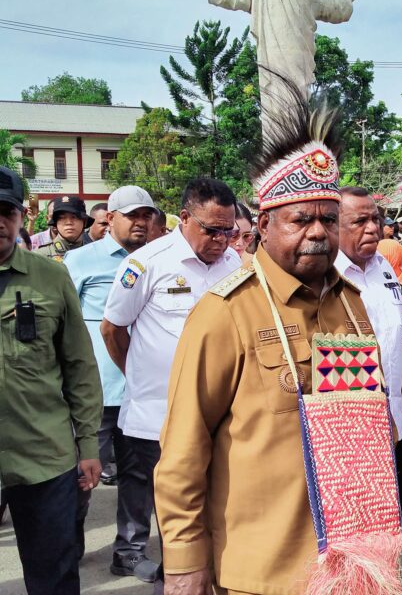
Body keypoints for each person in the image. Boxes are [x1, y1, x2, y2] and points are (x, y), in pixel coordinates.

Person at [154, 87, 402, 594]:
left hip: (354, 558)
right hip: (262, 570)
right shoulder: (225, 311)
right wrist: (184, 561)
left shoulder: (351, 302)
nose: (317, 232)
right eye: (300, 219)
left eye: (329, 220)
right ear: (263, 226)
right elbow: (183, 447)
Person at [101, 178, 240, 591]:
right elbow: (113, 329)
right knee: (171, 513)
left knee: (212, 507)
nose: (221, 239)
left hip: (217, 416)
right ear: (184, 219)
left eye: (228, 230)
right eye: (211, 229)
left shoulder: (235, 263)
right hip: (157, 414)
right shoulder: (147, 263)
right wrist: (141, 376)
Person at [0, 166, 103, 595]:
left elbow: (79, 364)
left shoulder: (51, 275)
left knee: (54, 575)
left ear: (22, 216)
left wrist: (90, 445)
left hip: (44, 454)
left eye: (5, 212)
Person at [64, 185, 159, 582]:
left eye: (146, 216)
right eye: (131, 215)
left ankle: (130, 551)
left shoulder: (160, 258)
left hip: (143, 393)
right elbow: (62, 326)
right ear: (110, 218)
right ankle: (65, 547)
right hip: (96, 391)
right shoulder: (80, 260)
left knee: (139, 478)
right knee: (80, 476)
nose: (140, 223)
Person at [336, 186, 402, 530]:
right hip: (348, 426)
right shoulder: (323, 274)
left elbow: (393, 341)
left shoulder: (383, 266)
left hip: (393, 415)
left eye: (376, 219)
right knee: (354, 517)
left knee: (389, 505)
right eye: (359, 221)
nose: (372, 228)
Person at [36, 195, 94, 262]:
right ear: (55, 223)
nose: (68, 222)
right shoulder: (41, 255)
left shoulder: (95, 252)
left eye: (74, 217)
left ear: (85, 222)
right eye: (62, 218)